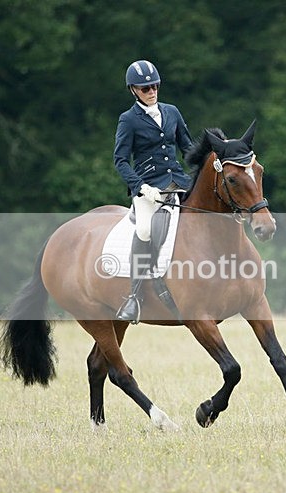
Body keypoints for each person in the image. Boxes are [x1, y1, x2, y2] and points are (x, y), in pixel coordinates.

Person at [113, 59, 194, 323]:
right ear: (133, 90)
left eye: (155, 86)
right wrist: (140, 187)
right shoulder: (128, 120)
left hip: (179, 183)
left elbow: (188, 148)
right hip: (149, 188)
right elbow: (121, 160)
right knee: (145, 229)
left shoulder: (172, 112)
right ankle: (134, 296)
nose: (151, 91)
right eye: (145, 88)